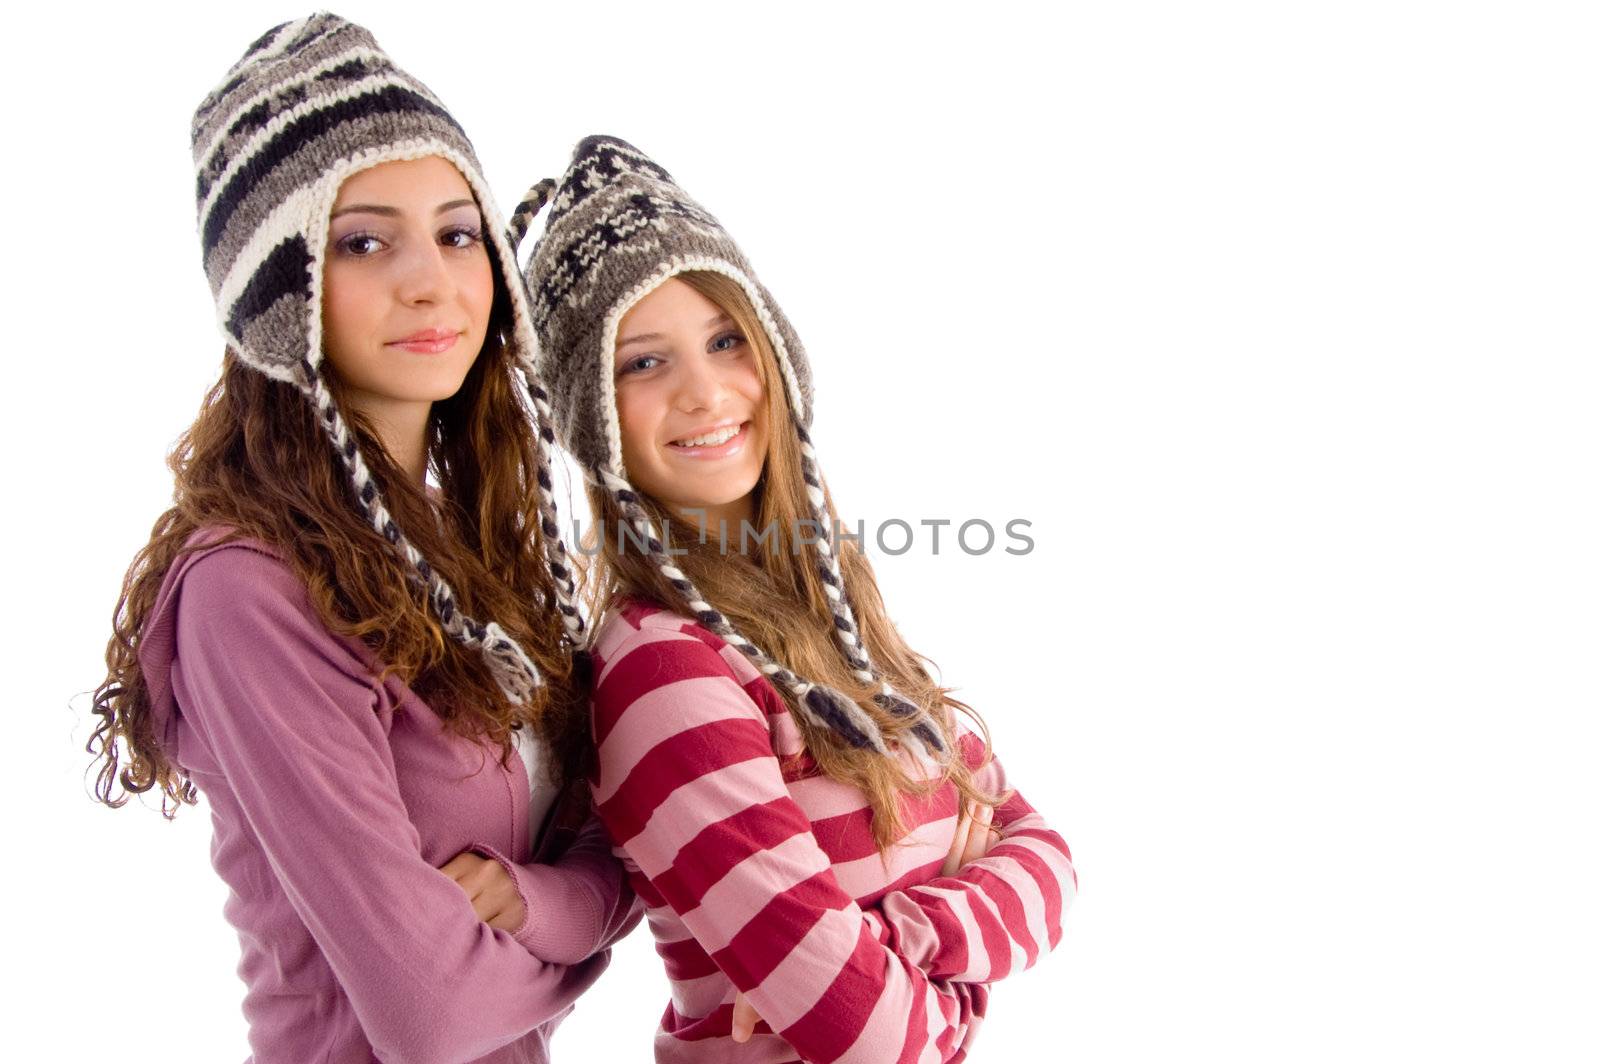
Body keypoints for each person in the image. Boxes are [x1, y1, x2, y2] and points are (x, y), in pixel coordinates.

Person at [85, 18, 634, 1063]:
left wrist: (526, 901)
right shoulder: (252, 591)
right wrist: (592, 933)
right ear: (274, 295)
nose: (432, 281)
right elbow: (429, 1014)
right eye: (364, 240)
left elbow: (609, 849)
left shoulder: (478, 557)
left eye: (459, 232)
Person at [516, 135, 1077, 1063]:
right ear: (595, 419)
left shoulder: (835, 623)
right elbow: (872, 1036)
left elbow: (1045, 855)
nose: (705, 391)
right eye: (643, 363)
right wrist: (951, 968)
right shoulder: (663, 667)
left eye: (727, 339)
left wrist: (897, 942)